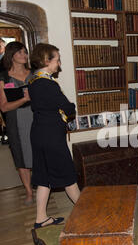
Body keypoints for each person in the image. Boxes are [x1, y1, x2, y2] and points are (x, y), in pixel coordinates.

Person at [29, 43, 80, 228]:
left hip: (38, 133)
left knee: (44, 177)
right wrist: (68, 108)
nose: (59, 64)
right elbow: (68, 107)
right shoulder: (48, 84)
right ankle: (86, 210)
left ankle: (40, 218)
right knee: (68, 176)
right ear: (46, 60)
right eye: (57, 60)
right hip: (51, 136)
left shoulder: (33, 80)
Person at [0, 41, 34, 204]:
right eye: (20, 52)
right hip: (15, 121)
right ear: (11, 55)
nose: (24, 55)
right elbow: (4, 107)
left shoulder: (34, 74)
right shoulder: (3, 77)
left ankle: (42, 184)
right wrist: (25, 99)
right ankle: (28, 192)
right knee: (21, 157)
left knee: (39, 152)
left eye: (25, 52)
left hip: (36, 118)